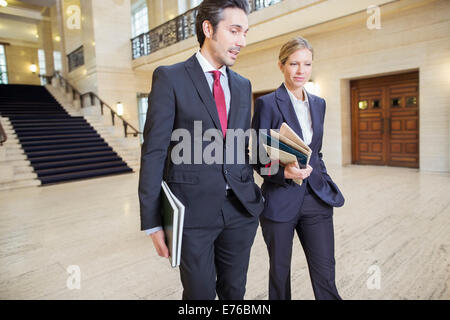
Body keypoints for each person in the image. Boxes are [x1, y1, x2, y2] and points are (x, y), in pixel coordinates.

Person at [138, 0, 264, 300]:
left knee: (235, 292)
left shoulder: (243, 85)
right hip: (191, 213)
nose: (242, 42)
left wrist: (275, 165)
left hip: (239, 211)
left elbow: (239, 145)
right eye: (234, 31)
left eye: (245, 32)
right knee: (199, 295)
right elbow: (154, 151)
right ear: (208, 28)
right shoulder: (170, 77)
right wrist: (152, 221)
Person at [251, 37, 345, 300]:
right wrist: (284, 174)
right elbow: (258, 156)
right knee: (280, 274)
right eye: (294, 63)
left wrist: (323, 179)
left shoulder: (319, 104)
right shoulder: (267, 104)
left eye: (307, 64)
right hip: (279, 200)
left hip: (316, 198)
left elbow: (317, 152)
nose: (301, 70)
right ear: (281, 65)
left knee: (326, 273)